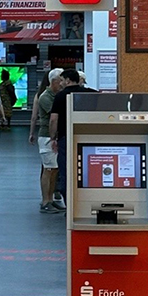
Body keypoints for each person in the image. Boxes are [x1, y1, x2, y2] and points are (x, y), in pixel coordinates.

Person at [49, 69, 97, 200]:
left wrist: (53, 138)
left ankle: (69, 205)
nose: (60, 83)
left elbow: (54, 119)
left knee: (66, 171)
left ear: (68, 80)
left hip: (66, 138)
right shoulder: (91, 94)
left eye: (62, 80)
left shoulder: (60, 96)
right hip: (88, 138)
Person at [29, 68, 64, 213]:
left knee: (54, 169)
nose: (62, 84)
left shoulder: (55, 95)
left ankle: (50, 199)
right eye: (60, 81)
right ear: (53, 81)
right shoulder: (45, 97)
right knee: (48, 169)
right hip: (47, 136)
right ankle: (45, 201)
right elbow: (53, 116)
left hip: (54, 136)